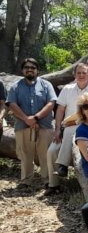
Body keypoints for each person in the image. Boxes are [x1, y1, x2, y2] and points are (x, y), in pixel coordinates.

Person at [7, 58, 57, 190]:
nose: (30, 69)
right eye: (27, 67)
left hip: (44, 125)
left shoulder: (46, 85)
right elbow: (12, 104)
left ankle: (47, 180)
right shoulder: (15, 86)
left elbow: (51, 103)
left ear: (37, 70)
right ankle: (26, 180)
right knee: (25, 154)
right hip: (22, 126)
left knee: (45, 153)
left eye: (33, 67)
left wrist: (35, 117)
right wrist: (26, 119)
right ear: (23, 70)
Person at [47, 63, 88, 186]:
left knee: (72, 130)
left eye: (84, 73)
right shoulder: (67, 89)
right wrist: (57, 130)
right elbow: (60, 110)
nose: (81, 75)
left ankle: (63, 165)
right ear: (74, 74)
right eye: (79, 73)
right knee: (51, 151)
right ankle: (53, 184)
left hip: (87, 128)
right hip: (65, 127)